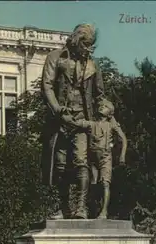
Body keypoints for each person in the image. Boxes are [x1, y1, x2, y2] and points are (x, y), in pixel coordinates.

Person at [40, 24, 105, 219]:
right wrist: (58, 110)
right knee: (59, 164)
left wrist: (105, 122)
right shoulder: (56, 58)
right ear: (76, 41)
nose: (89, 49)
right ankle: (63, 208)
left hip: (82, 121)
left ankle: (81, 207)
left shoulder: (93, 66)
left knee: (81, 162)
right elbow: (47, 86)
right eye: (86, 45)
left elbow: (100, 95)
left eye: (91, 46)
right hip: (60, 120)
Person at [62, 99, 127, 219]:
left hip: (105, 157)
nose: (102, 107)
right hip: (92, 159)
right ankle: (89, 210)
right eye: (101, 105)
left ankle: (104, 211)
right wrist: (65, 116)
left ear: (110, 113)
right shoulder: (92, 124)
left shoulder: (111, 125)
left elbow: (123, 139)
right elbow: (77, 123)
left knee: (105, 184)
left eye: (106, 106)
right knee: (91, 184)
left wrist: (122, 155)